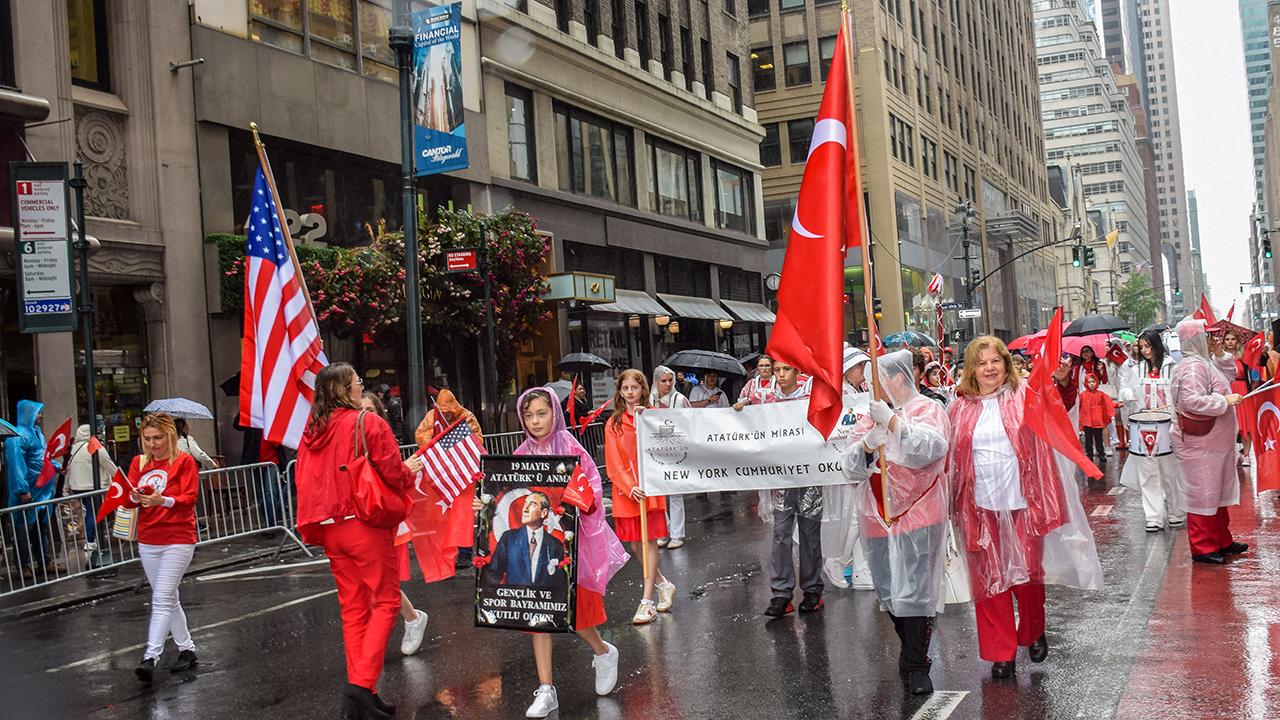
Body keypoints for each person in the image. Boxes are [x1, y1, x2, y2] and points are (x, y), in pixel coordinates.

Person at [946, 336, 1082, 679]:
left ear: (1006, 364)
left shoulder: (1025, 395)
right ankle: (1000, 651)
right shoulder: (959, 407)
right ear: (971, 370)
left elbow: (1059, 410)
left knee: (1027, 575)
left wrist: (1064, 382)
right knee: (989, 580)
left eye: (995, 361)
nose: (989, 368)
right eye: (981, 362)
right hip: (978, 507)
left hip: (1022, 502)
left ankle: (1034, 630)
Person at [296, 363, 425, 719]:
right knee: (385, 601)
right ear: (343, 389)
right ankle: (359, 688)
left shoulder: (312, 432)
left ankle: (364, 693)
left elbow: (306, 480)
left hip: (330, 527)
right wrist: (408, 474)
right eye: (357, 383)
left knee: (353, 609)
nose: (360, 387)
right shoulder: (366, 422)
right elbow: (392, 470)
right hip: (364, 523)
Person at [495, 386, 629, 718]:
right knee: (538, 615)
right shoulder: (521, 454)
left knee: (576, 613)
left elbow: (593, 490)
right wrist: (489, 502)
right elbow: (510, 495)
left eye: (541, 413)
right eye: (528, 415)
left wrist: (581, 502)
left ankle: (602, 651)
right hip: (532, 548)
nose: (535, 420)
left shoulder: (571, 448)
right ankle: (546, 689)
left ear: (555, 413)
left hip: (568, 547)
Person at [842, 350, 951, 695]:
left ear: (898, 378)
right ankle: (911, 648)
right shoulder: (869, 416)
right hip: (877, 516)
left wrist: (893, 423)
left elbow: (931, 449)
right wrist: (867, 445)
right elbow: (850, 468)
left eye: (879, 379)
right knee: (891, 593)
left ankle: (917, 665)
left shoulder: (928, 409)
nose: (873, 388)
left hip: (919, 513)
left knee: (917, 591)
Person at [125, 413, 201, 682]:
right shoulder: (139, 462)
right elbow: (133, 499)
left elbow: (189, 498)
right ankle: (187, 650)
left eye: (158, 438)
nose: (153, 444)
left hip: (178, 537)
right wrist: (133, 497)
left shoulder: (184, 461)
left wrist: (163, 500)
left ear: (170, 436)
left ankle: (151, 656)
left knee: (161, 599)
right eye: (147, 438)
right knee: (169, 597)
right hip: (148, 539)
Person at [1170, 320, 1247, 565]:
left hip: (1212, 444)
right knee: (1203, 493)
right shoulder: (1193, 367)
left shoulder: (1203, 362)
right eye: (1208, 336)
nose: (1214, 340)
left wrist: (1219, 354)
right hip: (1200, 444)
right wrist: (1225, 401)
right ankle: (1202, 546)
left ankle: (1222, 539)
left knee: (1217, 491)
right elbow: (1192, 401)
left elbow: (1228, 373)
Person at [753, 361, 825, 616]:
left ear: (797, 372)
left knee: (809, 535)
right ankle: (781, 594)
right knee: (781, 534)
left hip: (809, 477)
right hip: (781, 480)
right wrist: (740, 412)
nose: (781, 375)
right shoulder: (767, 401)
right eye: (777, 370)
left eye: (786, 370)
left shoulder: (810, 396)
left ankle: (812, 590)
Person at [605, 369, 676, 624]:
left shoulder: (652, 417)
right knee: (636, 544)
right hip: (627, 491)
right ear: (620, 391)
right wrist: (628, 485)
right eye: (626, 388)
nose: (630, 392)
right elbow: (613, 462)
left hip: (650, 488)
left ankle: (647, 601)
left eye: (635, 388)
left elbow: (669, 445)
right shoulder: (613, 423)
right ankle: (662, 583)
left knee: (649, 543)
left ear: (642, 390)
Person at [360, 391, 429, 657]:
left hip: (385, 519)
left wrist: (406, 469)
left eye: (371, 411)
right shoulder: (349, 443)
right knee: (370, 580)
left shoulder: (384, 444)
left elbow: (395, 479)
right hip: (361, 520)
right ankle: (411, 619)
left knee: (382, 580)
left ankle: (412, 619)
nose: (365, 417)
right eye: (360, 411)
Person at [820, 344, 874, 591]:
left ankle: (862, 569)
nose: (863, 371)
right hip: (843, 463)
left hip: (860, 460)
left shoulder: (857, 390)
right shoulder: (838, 392)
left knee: (863, 515)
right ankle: (836, 560)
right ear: (846, 369)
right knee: (853, 517)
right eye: (859, 366)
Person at [1118, 330, 1184, 532]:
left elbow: (1180, 393)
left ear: (1156, 345)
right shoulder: (1135, 370)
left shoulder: (1172, 367)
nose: (1145, 351)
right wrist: (1127, 394)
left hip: (1167, 426)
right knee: (1147, 473)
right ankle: (1153, 516)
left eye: (1148, 346)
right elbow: (1125, 390)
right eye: (1142, 347)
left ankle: (1175, 512)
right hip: (1143, 426)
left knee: (1169, 472)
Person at [4, 400, 56, 578]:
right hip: (28, 493)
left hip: (41, 491)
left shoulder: (37, 434)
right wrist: (22, 489)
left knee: (41, 528)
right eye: (38, 413)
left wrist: (56, 466)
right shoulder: (17, 437)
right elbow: (16, 465)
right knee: (22, 530)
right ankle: (23, 565)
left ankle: (45, 561)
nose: (40, 417)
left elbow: (43, 457)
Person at [484, 491, 568, 589]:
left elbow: (560, 582)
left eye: (532, 505)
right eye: (525, 504)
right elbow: (494, 574)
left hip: (544, 602)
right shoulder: (509, 538)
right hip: (513, 600)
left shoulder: (555, 545)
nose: (525, 509)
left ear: (544, 513)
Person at [651, 365, 691, 550]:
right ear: (656, 381)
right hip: (654, 451)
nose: (667, 384)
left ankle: (677, 534)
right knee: (658, 494)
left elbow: (691, 420)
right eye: (663, 381)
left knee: (675, 493)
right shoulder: (649, 400)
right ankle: (663, 530)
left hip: (676, 451)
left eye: (670, 380)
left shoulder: (680, 399)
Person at [65, 424, 118, 554]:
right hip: (92, 486)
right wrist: (121, 478)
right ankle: (90, 540)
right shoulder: (94, 446)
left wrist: (66, 488)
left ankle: (92, 538)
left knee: (89, 511)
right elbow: (108, 462)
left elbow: (68, 469)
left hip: (77, 486)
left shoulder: (74, 448)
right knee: (92, 512)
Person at [1220, 329, 1256, 466]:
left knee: (1246, 424)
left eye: (1233, 339)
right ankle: (1234, 454)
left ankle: (1246, 455)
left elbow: (1259, 363)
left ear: (1237, 341)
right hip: (1227, 392)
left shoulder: (1244, 356)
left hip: (1242, 392)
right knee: (1230, 424)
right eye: (1227, 339)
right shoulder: (1220, 357)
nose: (1230, 342)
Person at [414, 389, 483, 447]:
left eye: (449, 411)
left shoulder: (466, 416)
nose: (446, 414)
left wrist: (458, 438)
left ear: (455, 407)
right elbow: (420, 435)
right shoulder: (432, 416)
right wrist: (437, 439)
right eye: (443, 412)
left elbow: (478, 439)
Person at [1078, 374, 1115, 471]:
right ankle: (1089, 454)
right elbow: (1077, 405)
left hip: (1098, 420)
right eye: (1089, 382)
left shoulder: (1100, 394)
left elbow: (1108, 402)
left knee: (1099, 438)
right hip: (1087, 420)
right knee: (1088, 439)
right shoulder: (1082, 395)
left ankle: (1101, 453)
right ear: (1086, 383)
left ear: (1097, 382)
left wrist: (1117, 404)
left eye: (1093, 382)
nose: (1091, 384)